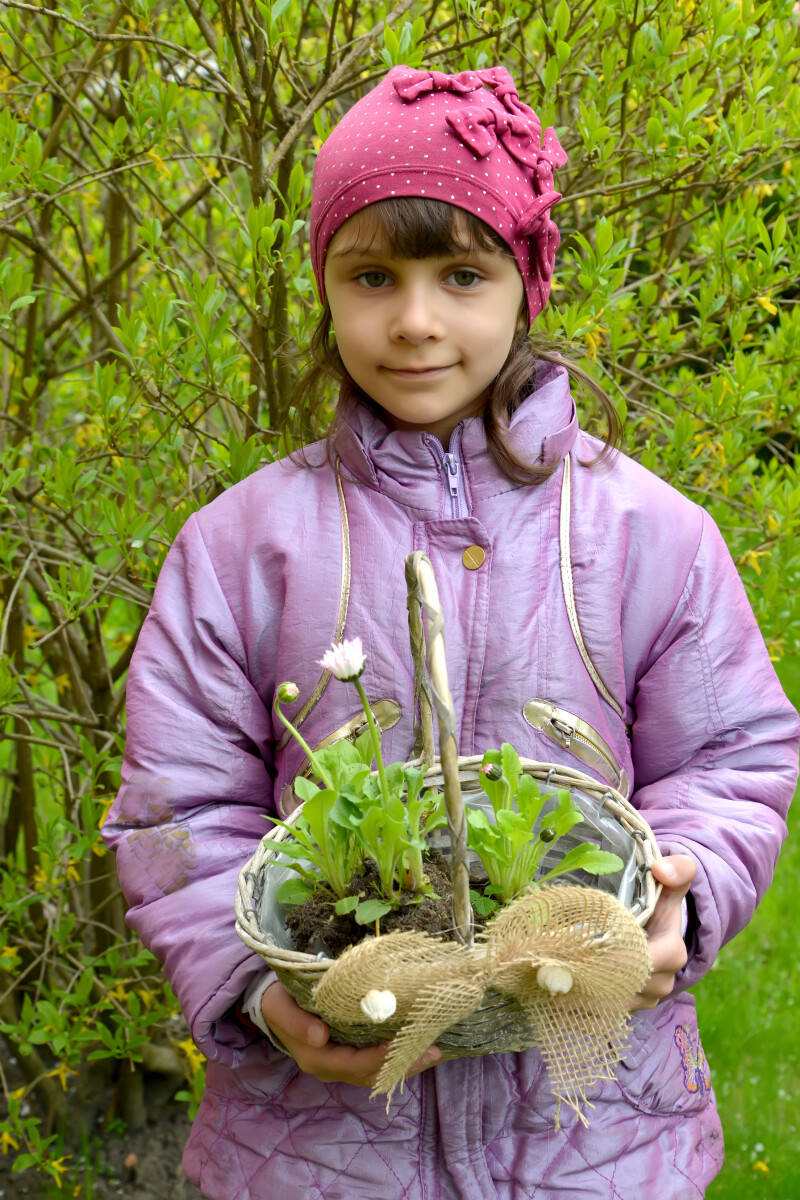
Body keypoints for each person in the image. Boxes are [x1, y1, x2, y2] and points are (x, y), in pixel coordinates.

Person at [102, 64, 799, 1199]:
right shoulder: (239, 550)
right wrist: (258, 987)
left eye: (460, 275)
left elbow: (730, 759)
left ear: (524, 285)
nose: (415, 321)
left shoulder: (645, 535)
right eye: (370, 275)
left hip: (596, 1131)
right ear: (322, 288)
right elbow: (180, 808)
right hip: (317, 1146)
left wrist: (684, 885)